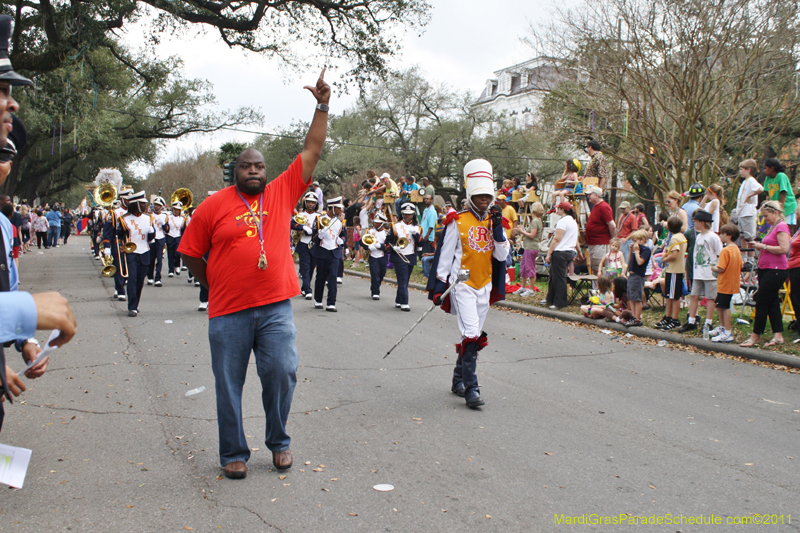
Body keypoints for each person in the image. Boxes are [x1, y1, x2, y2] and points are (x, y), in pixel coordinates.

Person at [177, 68, 329, 479]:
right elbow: (189, 252)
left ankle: (279, 442)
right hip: (227, 312)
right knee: (229, 385)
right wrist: (211, 282)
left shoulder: (281, 191)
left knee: (282, 371)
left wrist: (321, 106)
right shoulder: (213, 206)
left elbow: (312, 149)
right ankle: (233, 454)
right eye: (247, 167)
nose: (255, 172)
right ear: (235, 171)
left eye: (260, 166)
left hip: (276, 307)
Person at [427, 159, 510, 409]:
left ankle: (457, 379)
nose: (484, 200)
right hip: (462, 285)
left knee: (470, 337)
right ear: (471, 195)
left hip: (484, 285)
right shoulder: (457, 220)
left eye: (487, 196)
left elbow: (501, 256)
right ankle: (471, 389)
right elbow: (443, 257)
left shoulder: (495, 221)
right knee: (471, 334)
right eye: (480, 196)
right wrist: (440, 287)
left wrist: (497, 229)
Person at [740, 201, 790, 348]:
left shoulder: (781, 226)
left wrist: (763, 246)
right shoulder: (772, 227)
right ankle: (778, 335)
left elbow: (784, 248)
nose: (765, 219)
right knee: (772, 302)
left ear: (775, 212)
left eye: (766, 216)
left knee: (761, 301)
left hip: (776, 269)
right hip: (766, 268)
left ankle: (756, 335)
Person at [677, 209, 721, 334]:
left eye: (696, 221)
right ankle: (691, 321)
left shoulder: (713, 237)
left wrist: (715, 269)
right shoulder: (699, 236)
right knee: (694, 296)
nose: (694, 223)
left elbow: (719, 254)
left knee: (710, 298)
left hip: (710, 274)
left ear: (702, 223)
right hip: (698, 272)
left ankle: (708, 322)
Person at [117, 191, 155, 317]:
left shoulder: (149, 218)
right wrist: (121, 246)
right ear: (137, 204)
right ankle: (132, 307)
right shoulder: (124, 219)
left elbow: (150, 239)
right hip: (131, 253)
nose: (146, 206)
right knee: (132, 279)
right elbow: (119, 235)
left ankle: (136, 304)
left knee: (140, 280)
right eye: (143, 204)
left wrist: (152, 232)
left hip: (145, 251)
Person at [654, 216, 688, 331]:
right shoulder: (681, 236)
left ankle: (674, 319)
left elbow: (675, 254)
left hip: (674, 270)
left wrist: (664, 259)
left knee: (674, 297)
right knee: (669, 295)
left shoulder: (674, 239)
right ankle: (668, 317)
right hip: (672, 270)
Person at [710, 224, 743, 343]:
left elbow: (721, 268)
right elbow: (741, 264)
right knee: (719, 304)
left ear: (729, 236)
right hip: (732, 282)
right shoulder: (736, 249)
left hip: (724, 282)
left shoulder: (725, 250)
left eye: (722, 234)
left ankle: (727, 332)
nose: (720, 235)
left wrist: (713, 268)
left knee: (724, 307)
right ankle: (723, 327)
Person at [312, 196, 345, 311]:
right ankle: (318, 300)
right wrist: (318, 235)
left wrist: (342, 240)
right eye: (338, 208)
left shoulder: (339, 222)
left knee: (333, 277)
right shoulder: (319, 219)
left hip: (334, 252)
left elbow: (342, 235)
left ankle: (331, 302)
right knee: (321, 277)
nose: (340, 211)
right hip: (322, 251)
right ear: (332, 207)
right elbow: (313, 236)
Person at [544, 201, 579, 309]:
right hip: (569, 251)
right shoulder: (573, 221)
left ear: (562, 210)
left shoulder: (563, 221)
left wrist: (549, 253)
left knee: (559, 278)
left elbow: (557, 238)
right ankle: (550, 298)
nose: (557, 210)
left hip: (561, 251)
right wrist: (579, 251)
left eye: (558, 208)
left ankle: (560, 302)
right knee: (554, 276)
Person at [387, 203, 419, 311]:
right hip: (399, 255)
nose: (407, 216)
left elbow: (422, 243)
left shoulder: (417, 227)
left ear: (413, 215)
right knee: (403, 278)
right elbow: (388, 241)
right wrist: (393, 247)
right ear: (402, 214)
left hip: (411, 255)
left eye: (409, 214)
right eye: (405, 214)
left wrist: (416, 234)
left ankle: (398, 300)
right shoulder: (396, 226)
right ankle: (405, 302)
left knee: (405, 279)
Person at [291, 192, 319, 299]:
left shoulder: (319, 216)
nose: (310, 204)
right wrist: (302, 228)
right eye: (309, 202)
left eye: (313, 203)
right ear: (305, 203)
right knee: (305, 267)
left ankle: (304, 287)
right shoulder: (300, 215)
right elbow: (291, 223)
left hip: (314, 245)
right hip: (303, 243)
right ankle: (308, 289)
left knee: (312, 267)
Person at [583, 185, 615, 274]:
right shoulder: (596, 206)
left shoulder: (604, 207)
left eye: (590, 194)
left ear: (596, 195)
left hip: (601, 242)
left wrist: (612, 239)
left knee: (600, 267)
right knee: (594, 266)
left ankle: (601, 286)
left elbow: (612, 225)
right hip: (594, 242)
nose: (588, 196)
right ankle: (595, 286)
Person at [515, 201, 544, 297]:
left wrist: (521, 232)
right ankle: (523, 287)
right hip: (528, 247)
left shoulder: (535, 221)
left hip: (531, 247)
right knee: (523, 267)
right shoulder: (537, 220)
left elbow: (532, 235)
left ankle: (530, 289)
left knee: (530, 268)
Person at [732, 159, 763, 244]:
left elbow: (760, 189)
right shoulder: (745, 181)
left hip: (748, 213)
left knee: (749, 237)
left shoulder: (751, 180)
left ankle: (751, 257)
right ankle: (745, 256)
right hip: (742, 213)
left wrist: (750, 196)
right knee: (742, 236)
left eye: (742, 169)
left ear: (748, 170)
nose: (740, 171)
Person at [624, 229, 650, 327]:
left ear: (642, 240)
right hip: (631, 275)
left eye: (636, 241)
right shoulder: (636, 250)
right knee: (631, 297)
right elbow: (630, 261)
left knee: (637, 298)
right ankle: (633, 316)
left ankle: (637, 318)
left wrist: (636, 251)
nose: (634, 243)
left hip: (638, 276)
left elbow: (640, 262)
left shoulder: (645, 250)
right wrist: (631, 252)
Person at [763, 158, 797, 230]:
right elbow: (768, 195)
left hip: (788, 208)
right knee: (777, 229)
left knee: (787, 229)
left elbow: (783, 193)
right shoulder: (768, 178)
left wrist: (780, 210)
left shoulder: (781, 176)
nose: (764, 170)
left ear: (772, 168)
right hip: (776, 209)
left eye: (765, 168)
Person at [365, 213, 388, 300]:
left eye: (377, 223)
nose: (375, 224)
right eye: (374, 222)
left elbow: (389, 247)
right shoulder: (370, 231)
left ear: (382, 223)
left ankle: (376, 286)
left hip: (382, 257)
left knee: (381, 274)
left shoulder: (386, 233)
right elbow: (362, 242)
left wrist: (381, 246)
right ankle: (375, 291)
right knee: (375, 274)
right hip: (373, 256)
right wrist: (368, 247)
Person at [147, 197, 168, 287]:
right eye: (155, 205)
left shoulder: (164, 216)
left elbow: (167, 230)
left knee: (159, 259)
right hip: (152, 239)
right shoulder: (149, 215)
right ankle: (150, 277)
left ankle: (158, 278)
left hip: (160, 238)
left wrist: (163, 224)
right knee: (151, 259)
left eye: (158, 205)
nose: (156, 207)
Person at [165, 201, 185, 278]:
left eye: (178, 209)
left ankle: (177, 265)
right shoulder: (168, 217)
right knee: (170, 254)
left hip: (178, 237)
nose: (177, 211)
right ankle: (170, 270)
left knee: (177, 253)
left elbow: (183, 228)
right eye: (175, 209)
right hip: (170, 236)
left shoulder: (182, 218)